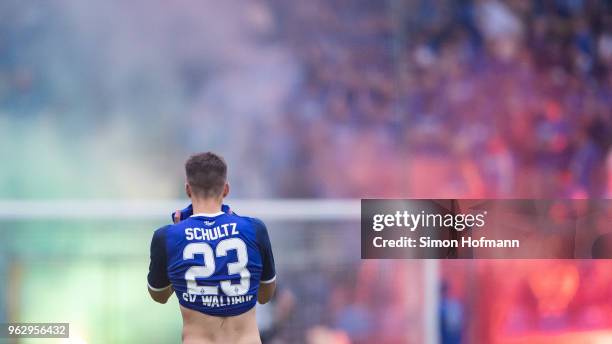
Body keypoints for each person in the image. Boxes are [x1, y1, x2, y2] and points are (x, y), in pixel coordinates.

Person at [147, 152, 277, 344]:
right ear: (226, 189)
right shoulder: (254, 229)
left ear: (188, 189)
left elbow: (159, 295)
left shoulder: (167, 237)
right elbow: (265, 295)